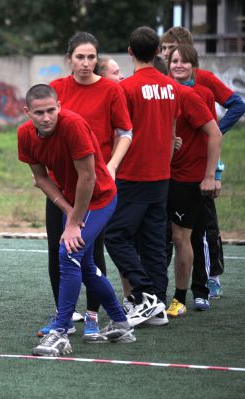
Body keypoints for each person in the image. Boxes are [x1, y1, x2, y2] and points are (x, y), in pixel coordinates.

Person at [18, 84, 135, 357]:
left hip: (100, 197)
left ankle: (60, 332)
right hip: (73, 200)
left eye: (51, 110)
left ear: (59, 106)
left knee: (68, 253)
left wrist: (73, 221)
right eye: (39, 113)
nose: (46, 117)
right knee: (84, 265)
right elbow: (41, 178)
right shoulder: (24, 135)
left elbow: (89, 177)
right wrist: (66, 208)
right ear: (27, 113)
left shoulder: (73, 125)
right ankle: (120, 322)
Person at [40, 32, 132, 340]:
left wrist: (112, 166)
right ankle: (62, 316)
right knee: (59, 249)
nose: (86, 62)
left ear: (97, 58)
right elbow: (45, 131)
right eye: (80, 57)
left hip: (95, 188)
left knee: (90, 253)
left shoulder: (110, 89)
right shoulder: (56, 89)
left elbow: (125, 133)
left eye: (91, 57)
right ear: (69, 59)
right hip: (62, 185)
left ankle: (93, 315)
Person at [160, 26, 245, 300]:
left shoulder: (204, 81)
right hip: (170, 172)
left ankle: (209, 279)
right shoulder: (164, 85)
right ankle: (165, 289)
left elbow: (233, 110)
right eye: (165, 53)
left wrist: (215, 170)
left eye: (171, 51)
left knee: (204, 228)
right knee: (171, 232)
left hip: (199, 169)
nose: (168, 57)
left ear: (189, 55)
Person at [104, 26, 181, 327]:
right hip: (161, 174)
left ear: (130, 52)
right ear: (159, 52)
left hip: (133, 174)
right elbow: (173, 132)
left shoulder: (126, 88)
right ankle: (158, 305)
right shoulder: (172, 87)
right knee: (152, 241)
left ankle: (145, 293)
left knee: (115, 235)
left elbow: (121, 132)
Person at [166, 44, 222, 316]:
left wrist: (213, 176)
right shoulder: (164, 92)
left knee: (187, 236)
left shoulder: (199, 94)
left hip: (190, 177)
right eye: (174, 60)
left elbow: (215, 134)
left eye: (184, 62)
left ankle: (190, 295)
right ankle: (153, 295)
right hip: (163, 175)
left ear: (194, 66)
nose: (178, 65)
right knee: (165, 237)